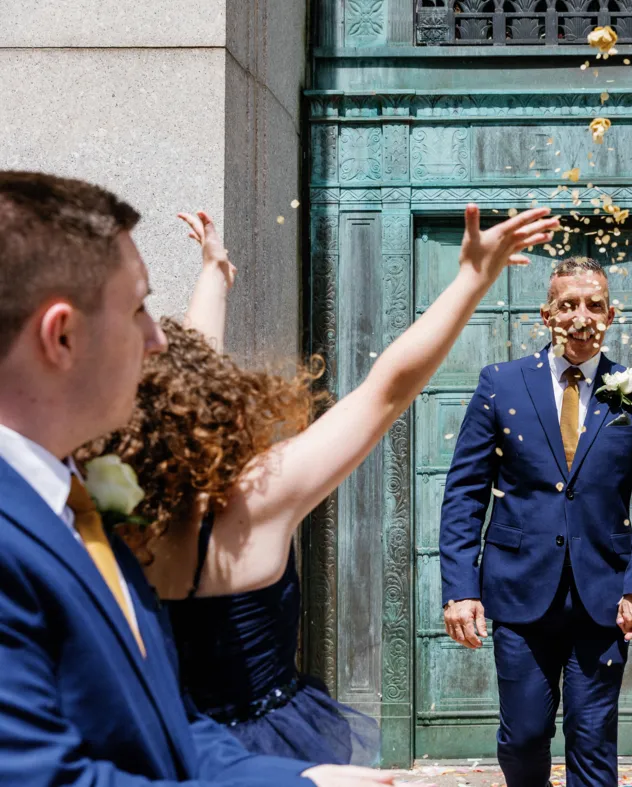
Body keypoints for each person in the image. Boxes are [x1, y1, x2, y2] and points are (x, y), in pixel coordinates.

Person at [77, 205, 559, 765]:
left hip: (152, 747)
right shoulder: (257, 498)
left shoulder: (101, 506)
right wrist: (471, 281)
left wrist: (213, 276)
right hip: (267, 750)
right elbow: (386, 389)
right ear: (216, 400)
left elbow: (178, 383)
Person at [0, 170, 397, 785]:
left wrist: (302, 781)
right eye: (137, 309)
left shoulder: (74, 502)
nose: (157, 340)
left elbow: (166, 723)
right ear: (61, 334)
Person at [438, 257, 632, 787]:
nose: (581, 315)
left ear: (611, 314)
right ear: (546, 314)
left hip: (605, 595)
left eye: (594, 304)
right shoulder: (500, 383)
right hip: (519, 592)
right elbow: (465, 491)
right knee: (523, 736)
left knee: (593, 738)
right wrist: (460, 588)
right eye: (568, 304)